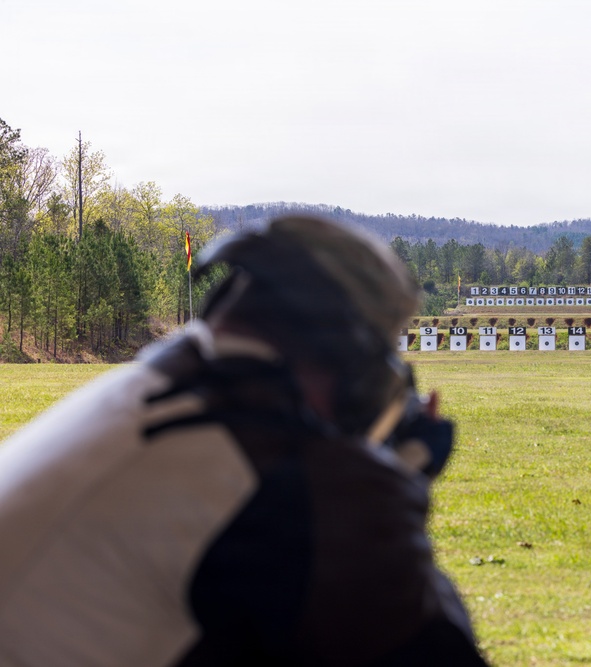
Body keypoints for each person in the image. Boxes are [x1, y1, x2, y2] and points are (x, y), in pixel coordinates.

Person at [0, 215, 489, 666]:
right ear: (353, 364)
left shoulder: (134, 395)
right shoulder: (275, 473)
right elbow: (432, 646)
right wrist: (400, 473)